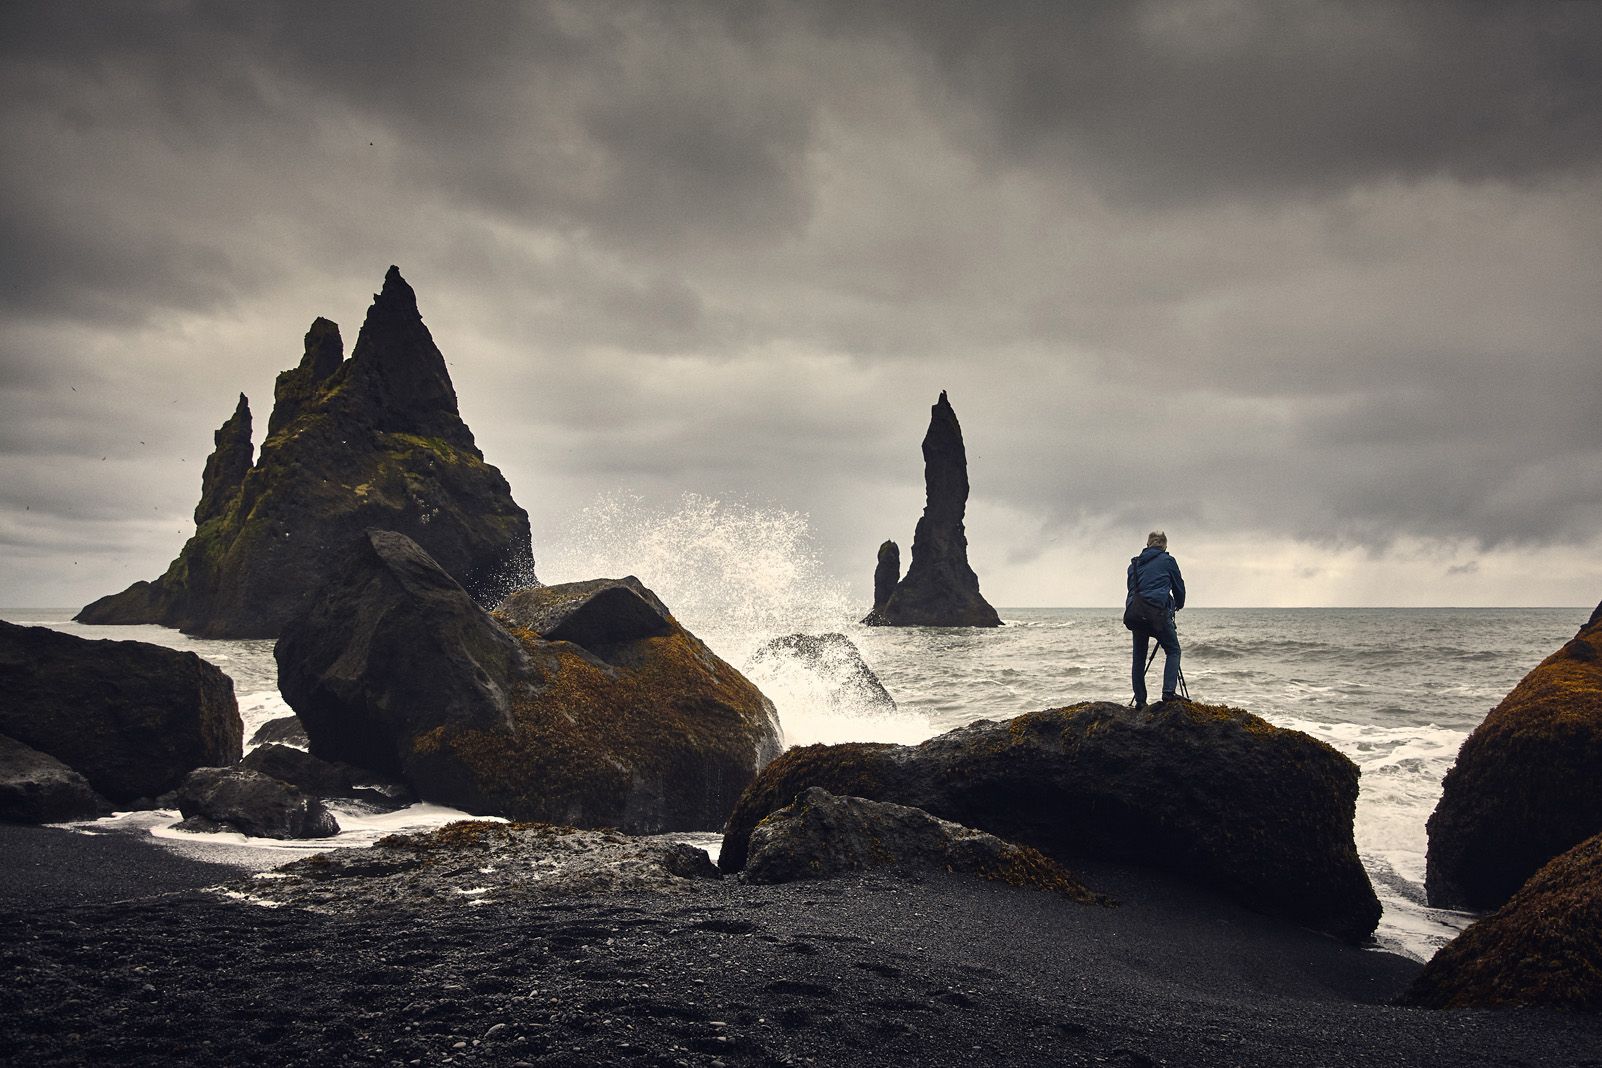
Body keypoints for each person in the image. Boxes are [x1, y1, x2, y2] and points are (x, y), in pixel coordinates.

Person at [1127, 530, 1185, 708]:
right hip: (1157, 613)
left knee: (1139, 657)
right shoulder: (1168, 561)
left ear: (1147, 545)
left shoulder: (1134, 565)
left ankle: (1140, 701)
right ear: (1164, 546)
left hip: (1136, 613)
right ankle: (1168, 692)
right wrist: (1179, 604)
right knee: (1173, 650)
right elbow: (1178, 587)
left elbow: (1132, 589)